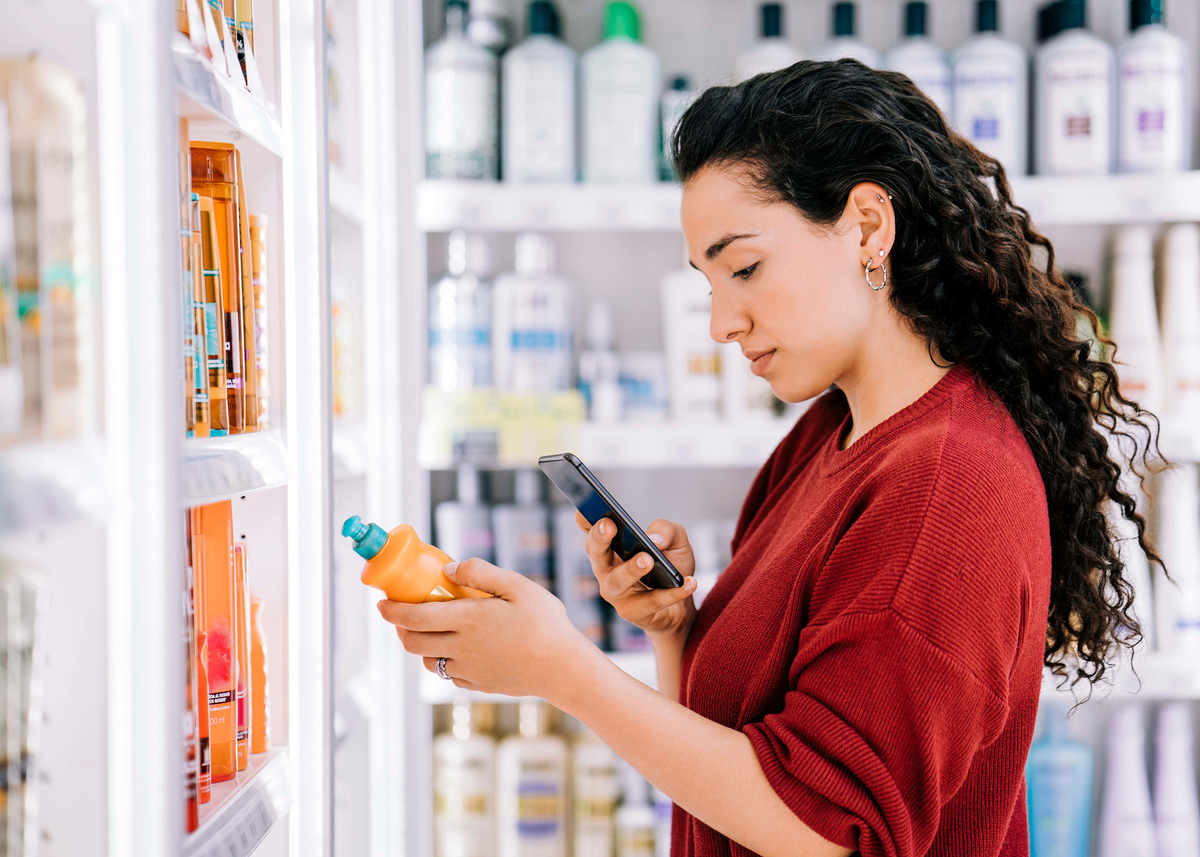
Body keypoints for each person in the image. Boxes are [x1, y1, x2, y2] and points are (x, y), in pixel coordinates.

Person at [379, 60, 1159, 857]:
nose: (721, 322)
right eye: (709, 282)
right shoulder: (827, 434)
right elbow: (738, 766)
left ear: (866, 226)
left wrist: (563, 672)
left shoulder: (947, 486)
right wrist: (675, 628)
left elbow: (827, 830)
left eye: (744, 268)